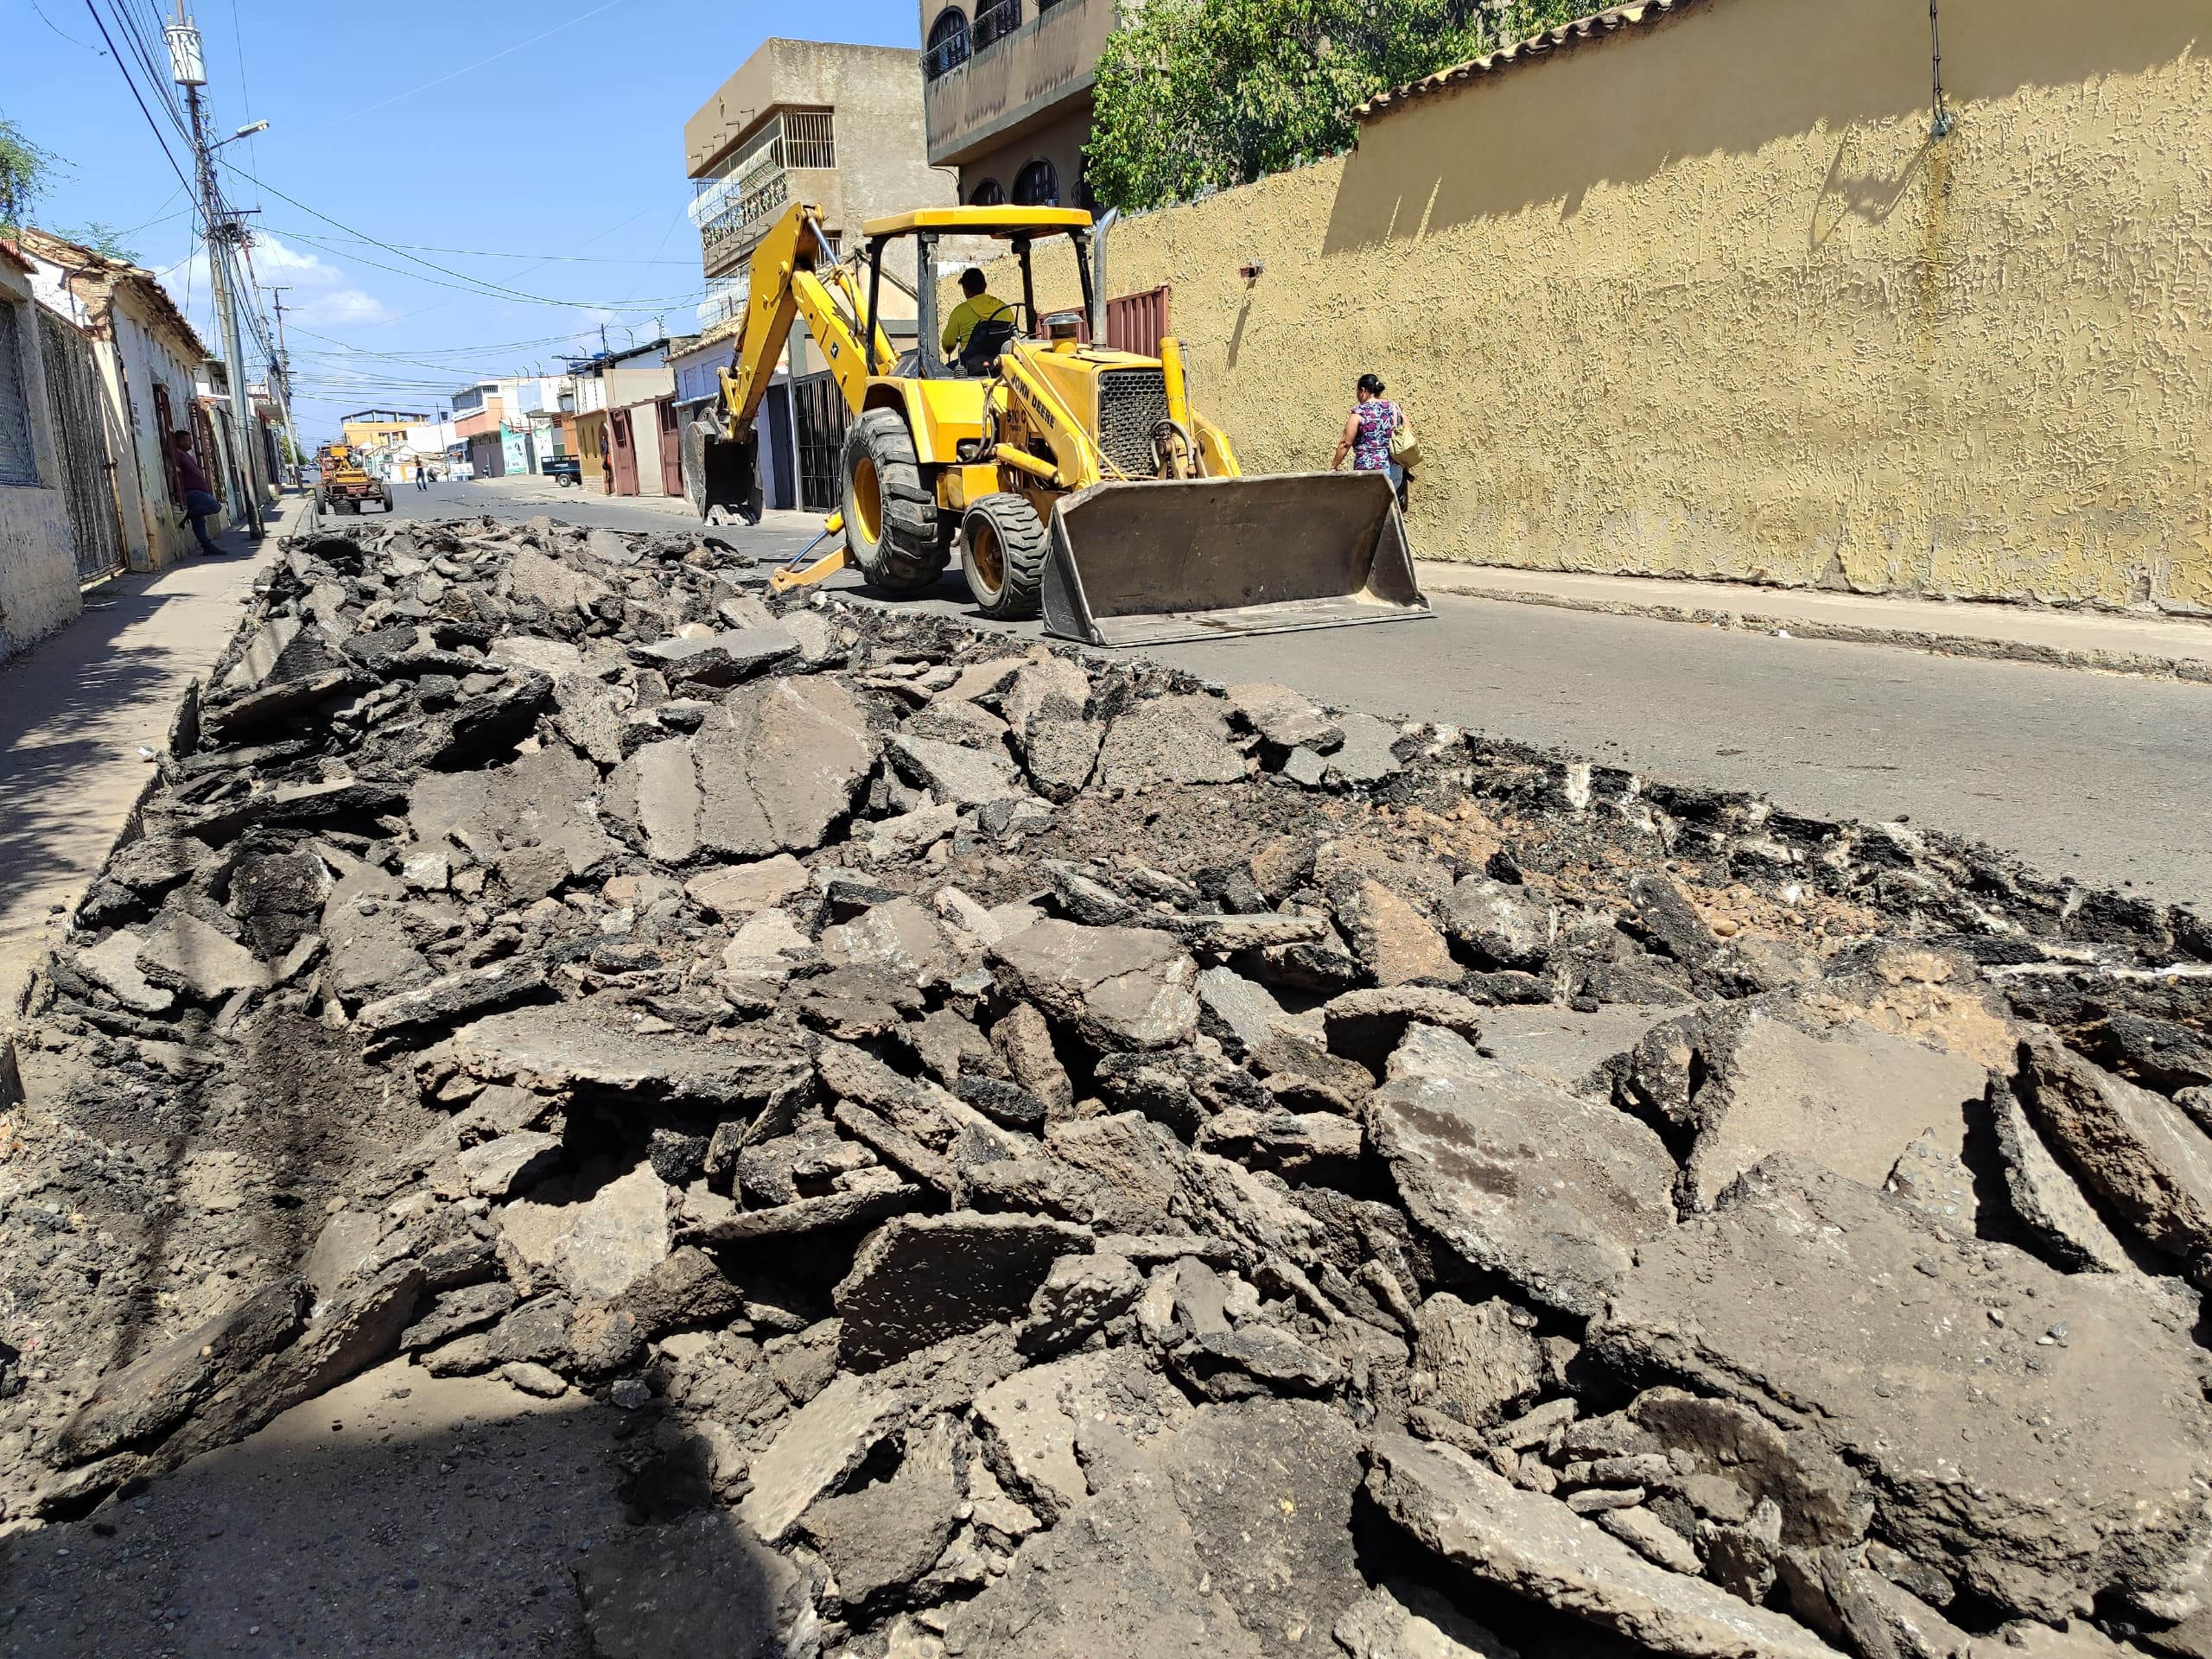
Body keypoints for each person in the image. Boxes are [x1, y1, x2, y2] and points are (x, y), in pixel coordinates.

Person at [1331, 372, 1412, 511]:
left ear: (1363, 391)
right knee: (1389, 513)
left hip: (1371, 472)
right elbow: (1408, 433)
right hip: (1395, 469)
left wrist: (1334, 466)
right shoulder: (1395, 408)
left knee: (1369, 514)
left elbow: (1345, 443)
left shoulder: (1360, 412)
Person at [941, 268, 1014, 372]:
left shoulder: (960, 311)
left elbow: (948, 345)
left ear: (965, 289)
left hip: (971, 368)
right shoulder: (1004, 308)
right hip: (1000, 366)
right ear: (985, 286)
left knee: (945, 370)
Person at [169, 429, 223, 555]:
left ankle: (207, 546)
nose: (191, 444)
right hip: (191, 493)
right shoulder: (177, 453)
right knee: (215, 506)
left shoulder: (186, 455)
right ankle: (187, 514)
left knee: (199, 523)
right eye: (188, 441)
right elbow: (168, 449)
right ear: (180, 441)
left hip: (197, 494)